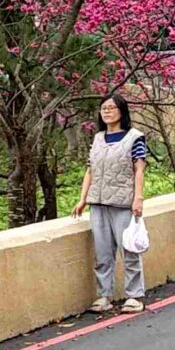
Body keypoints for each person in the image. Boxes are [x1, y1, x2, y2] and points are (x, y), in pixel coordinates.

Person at [72, 92, 149, 312]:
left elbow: (139, 169)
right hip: (99, 202)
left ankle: (134, 295)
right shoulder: (97, 138)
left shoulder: (135, 137)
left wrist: (138, 198)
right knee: (102, 253)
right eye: (103, 108)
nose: (106, 112)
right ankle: (104, 295)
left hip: (123, 202)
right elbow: (90, 170)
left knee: (129, 250)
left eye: (111, 108)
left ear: (122, 111)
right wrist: (83, 199)